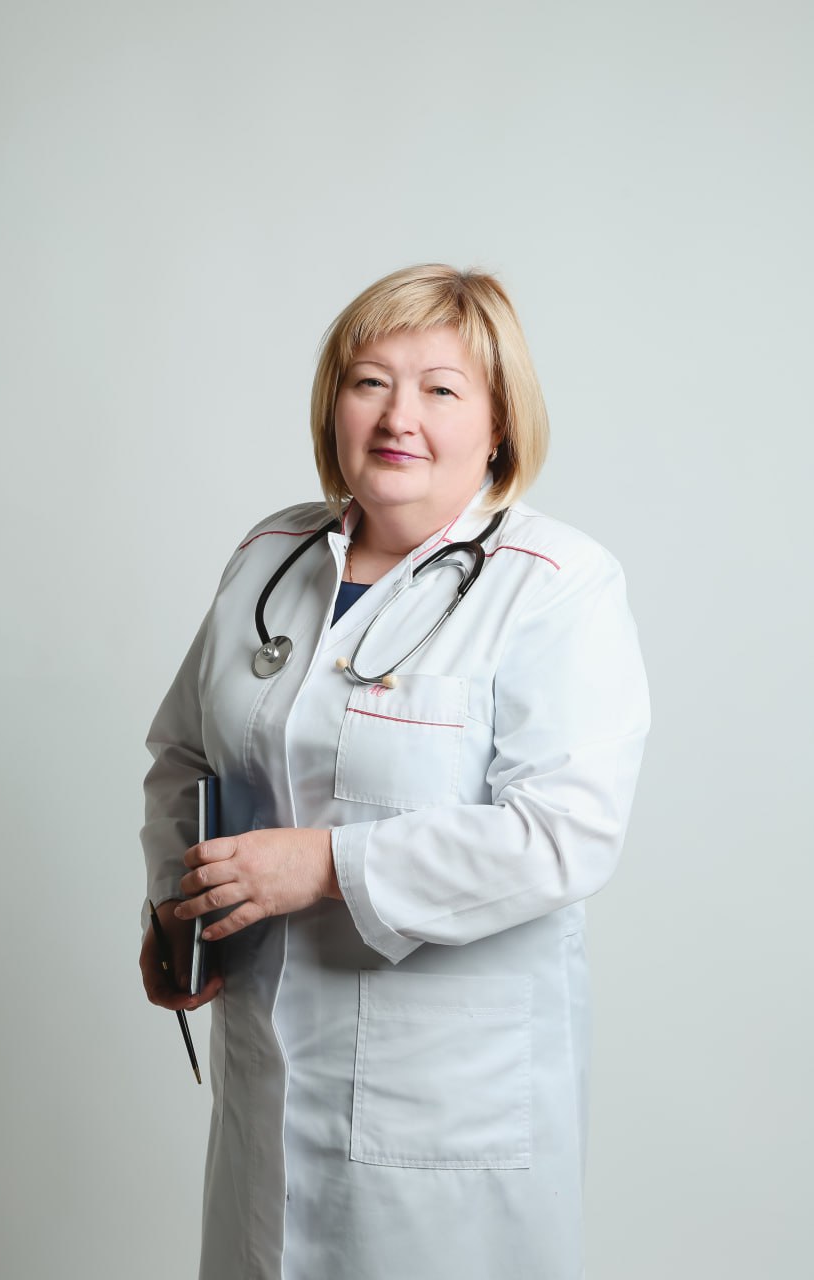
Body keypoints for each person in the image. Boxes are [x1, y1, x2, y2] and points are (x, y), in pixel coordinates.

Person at [139, 263, 650, 1280]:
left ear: (498, 423)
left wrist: (325, 865)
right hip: (266, 1074)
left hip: (448, 1107)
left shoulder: (556, 585)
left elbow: (564, 834)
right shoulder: (269, 557)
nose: (396, 417)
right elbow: (184, 755)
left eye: (440, 389)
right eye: (368, 381)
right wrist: (177, 908)